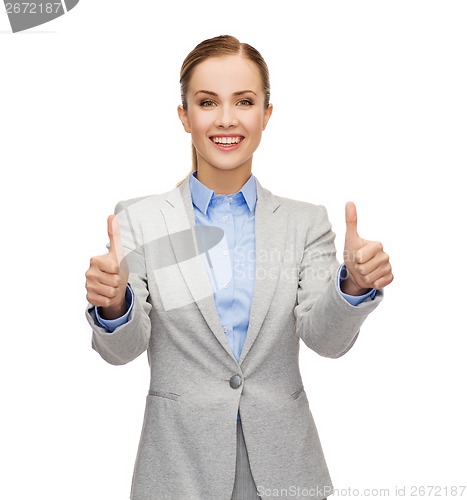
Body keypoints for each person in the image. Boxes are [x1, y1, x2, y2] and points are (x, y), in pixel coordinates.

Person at [85, 34, 393, 500]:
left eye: (244, 101)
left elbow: (325, 340)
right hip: (178, 470)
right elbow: (122, 351)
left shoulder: (304, 223)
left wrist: (351, 284)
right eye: (207, 102)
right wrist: (114, 305)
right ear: (184, 116)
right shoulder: (141, 220)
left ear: (266, 114)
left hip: (286, 468)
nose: (226, 119)